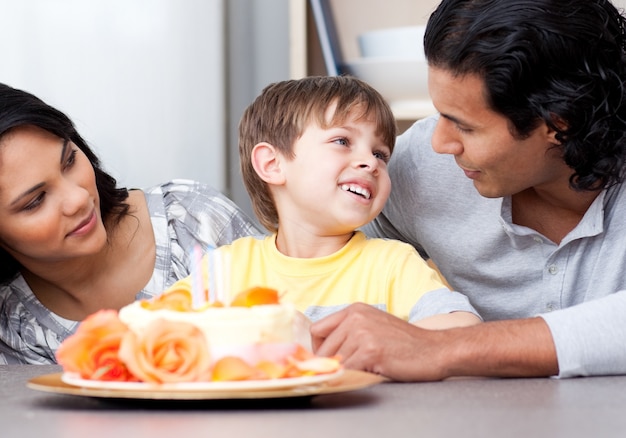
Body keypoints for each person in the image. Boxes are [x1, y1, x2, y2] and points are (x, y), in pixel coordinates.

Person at [311, 0, 626, 381]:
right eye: (439, 114)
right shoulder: (421, 168)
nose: (440, 143)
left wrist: (442, 347)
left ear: (560, 123)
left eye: (465, 126)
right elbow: (322, 257)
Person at [182, 75, 480, 329]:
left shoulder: (392, 264)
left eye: (380, 154)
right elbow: (153, 326)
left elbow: (463, 330)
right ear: (272, 164)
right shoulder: (229, 266)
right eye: (342, 141)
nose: (370, 163)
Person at [0, 83, 263, 364]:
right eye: (36, 201)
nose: (78, 198)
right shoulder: (13, 326)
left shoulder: (191, 219)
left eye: (70, 161)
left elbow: (294, 323)